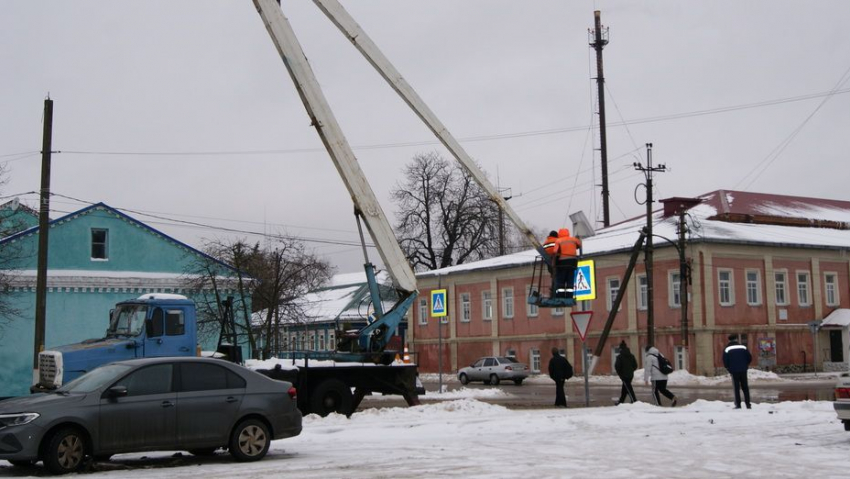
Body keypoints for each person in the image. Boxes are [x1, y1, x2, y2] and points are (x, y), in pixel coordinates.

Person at [723, 334, 752, 409]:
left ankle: (738, 405)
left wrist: (728, 368)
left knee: (736, 388)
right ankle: (748, 404)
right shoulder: (743, 347)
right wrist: (745, 365)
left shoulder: (727, 349)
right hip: (743, 370)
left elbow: (725, 360)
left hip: (734, 370)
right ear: (736, 339)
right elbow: (749, 358)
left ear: (729, 340)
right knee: (745, 387)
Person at [554, 228, 581, 297]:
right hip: (572, 263)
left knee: (561, 280)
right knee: (570, 280)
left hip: (562, 263)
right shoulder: (573, 239)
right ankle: (569, 296)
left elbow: (555, 252)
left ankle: (560, 296)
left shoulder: (558, 241)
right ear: (568, 233)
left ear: (559, 234)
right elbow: (579, 245)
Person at [614, 340, 638, 404]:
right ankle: (621, 401)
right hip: (630, 375)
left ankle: (634, 400)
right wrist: (630, 370)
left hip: (624, 375)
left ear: (620, 349)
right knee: (625, 388)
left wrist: (620, 374)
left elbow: (617, 366)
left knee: (628, 388)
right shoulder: (631, 356)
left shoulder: (619, 357)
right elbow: (635, 365)